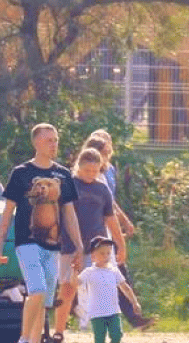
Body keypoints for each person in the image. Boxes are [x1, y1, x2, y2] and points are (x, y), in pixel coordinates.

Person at [0, 123, 81, 343]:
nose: (54, 144)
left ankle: (34, 339)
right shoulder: (21, 173)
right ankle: (23, 338)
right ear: (36, 142)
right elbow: (8, 211)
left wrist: (79, 245)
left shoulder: (63, 174)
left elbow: (69, 213)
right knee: (37, 289)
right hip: (27, 242)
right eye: (49, 140)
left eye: (56, 140)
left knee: (44, 300)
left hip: (53, 245)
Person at [52, 147, 128, 343]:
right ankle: (59, 331)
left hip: (97, 247)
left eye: (95, 171)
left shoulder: (102, 189)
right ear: (79, 166)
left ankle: (103, 332)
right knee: (67, 289)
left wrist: (121, 245)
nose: (91, 175)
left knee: (102, 289)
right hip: (70, 245)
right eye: (87, 171)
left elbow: (111, 219)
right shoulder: (68, 185)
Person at [82, 134, 151, 330]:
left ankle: (131, 316)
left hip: (106, 230)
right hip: (95, 230)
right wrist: (123, 222)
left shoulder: (108, 171)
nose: (106, 156)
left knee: (117, 272)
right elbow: (108, 204)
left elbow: (111, 203)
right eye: (103, 152)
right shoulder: (92, 176)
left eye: (107, 152)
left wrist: (123, 223)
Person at [79, 235, 141, 343]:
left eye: (108, 253)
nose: (106, 256)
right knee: (99, 338)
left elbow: (125, 287)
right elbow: (76, 282)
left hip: (114, 311)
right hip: (97, 313)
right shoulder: (89, 272)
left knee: (117, 335)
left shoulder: (114, 271)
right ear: (93, 256)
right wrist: (73, 272)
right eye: (102, 253)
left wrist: (134, 302)